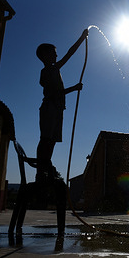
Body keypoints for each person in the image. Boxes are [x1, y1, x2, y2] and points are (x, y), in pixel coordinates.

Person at [36, 29, 88, 184]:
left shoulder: (54, 68)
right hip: (50, 107)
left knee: (52, 140)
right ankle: (41, 171)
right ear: (45, 56)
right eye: (53, 53)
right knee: (46, 139)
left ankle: (45, 166)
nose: (56, 55)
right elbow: (53, 93)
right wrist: (74, 88)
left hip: (58, 109)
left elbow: (69, 54)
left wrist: (81, 38)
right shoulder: (46, 71)